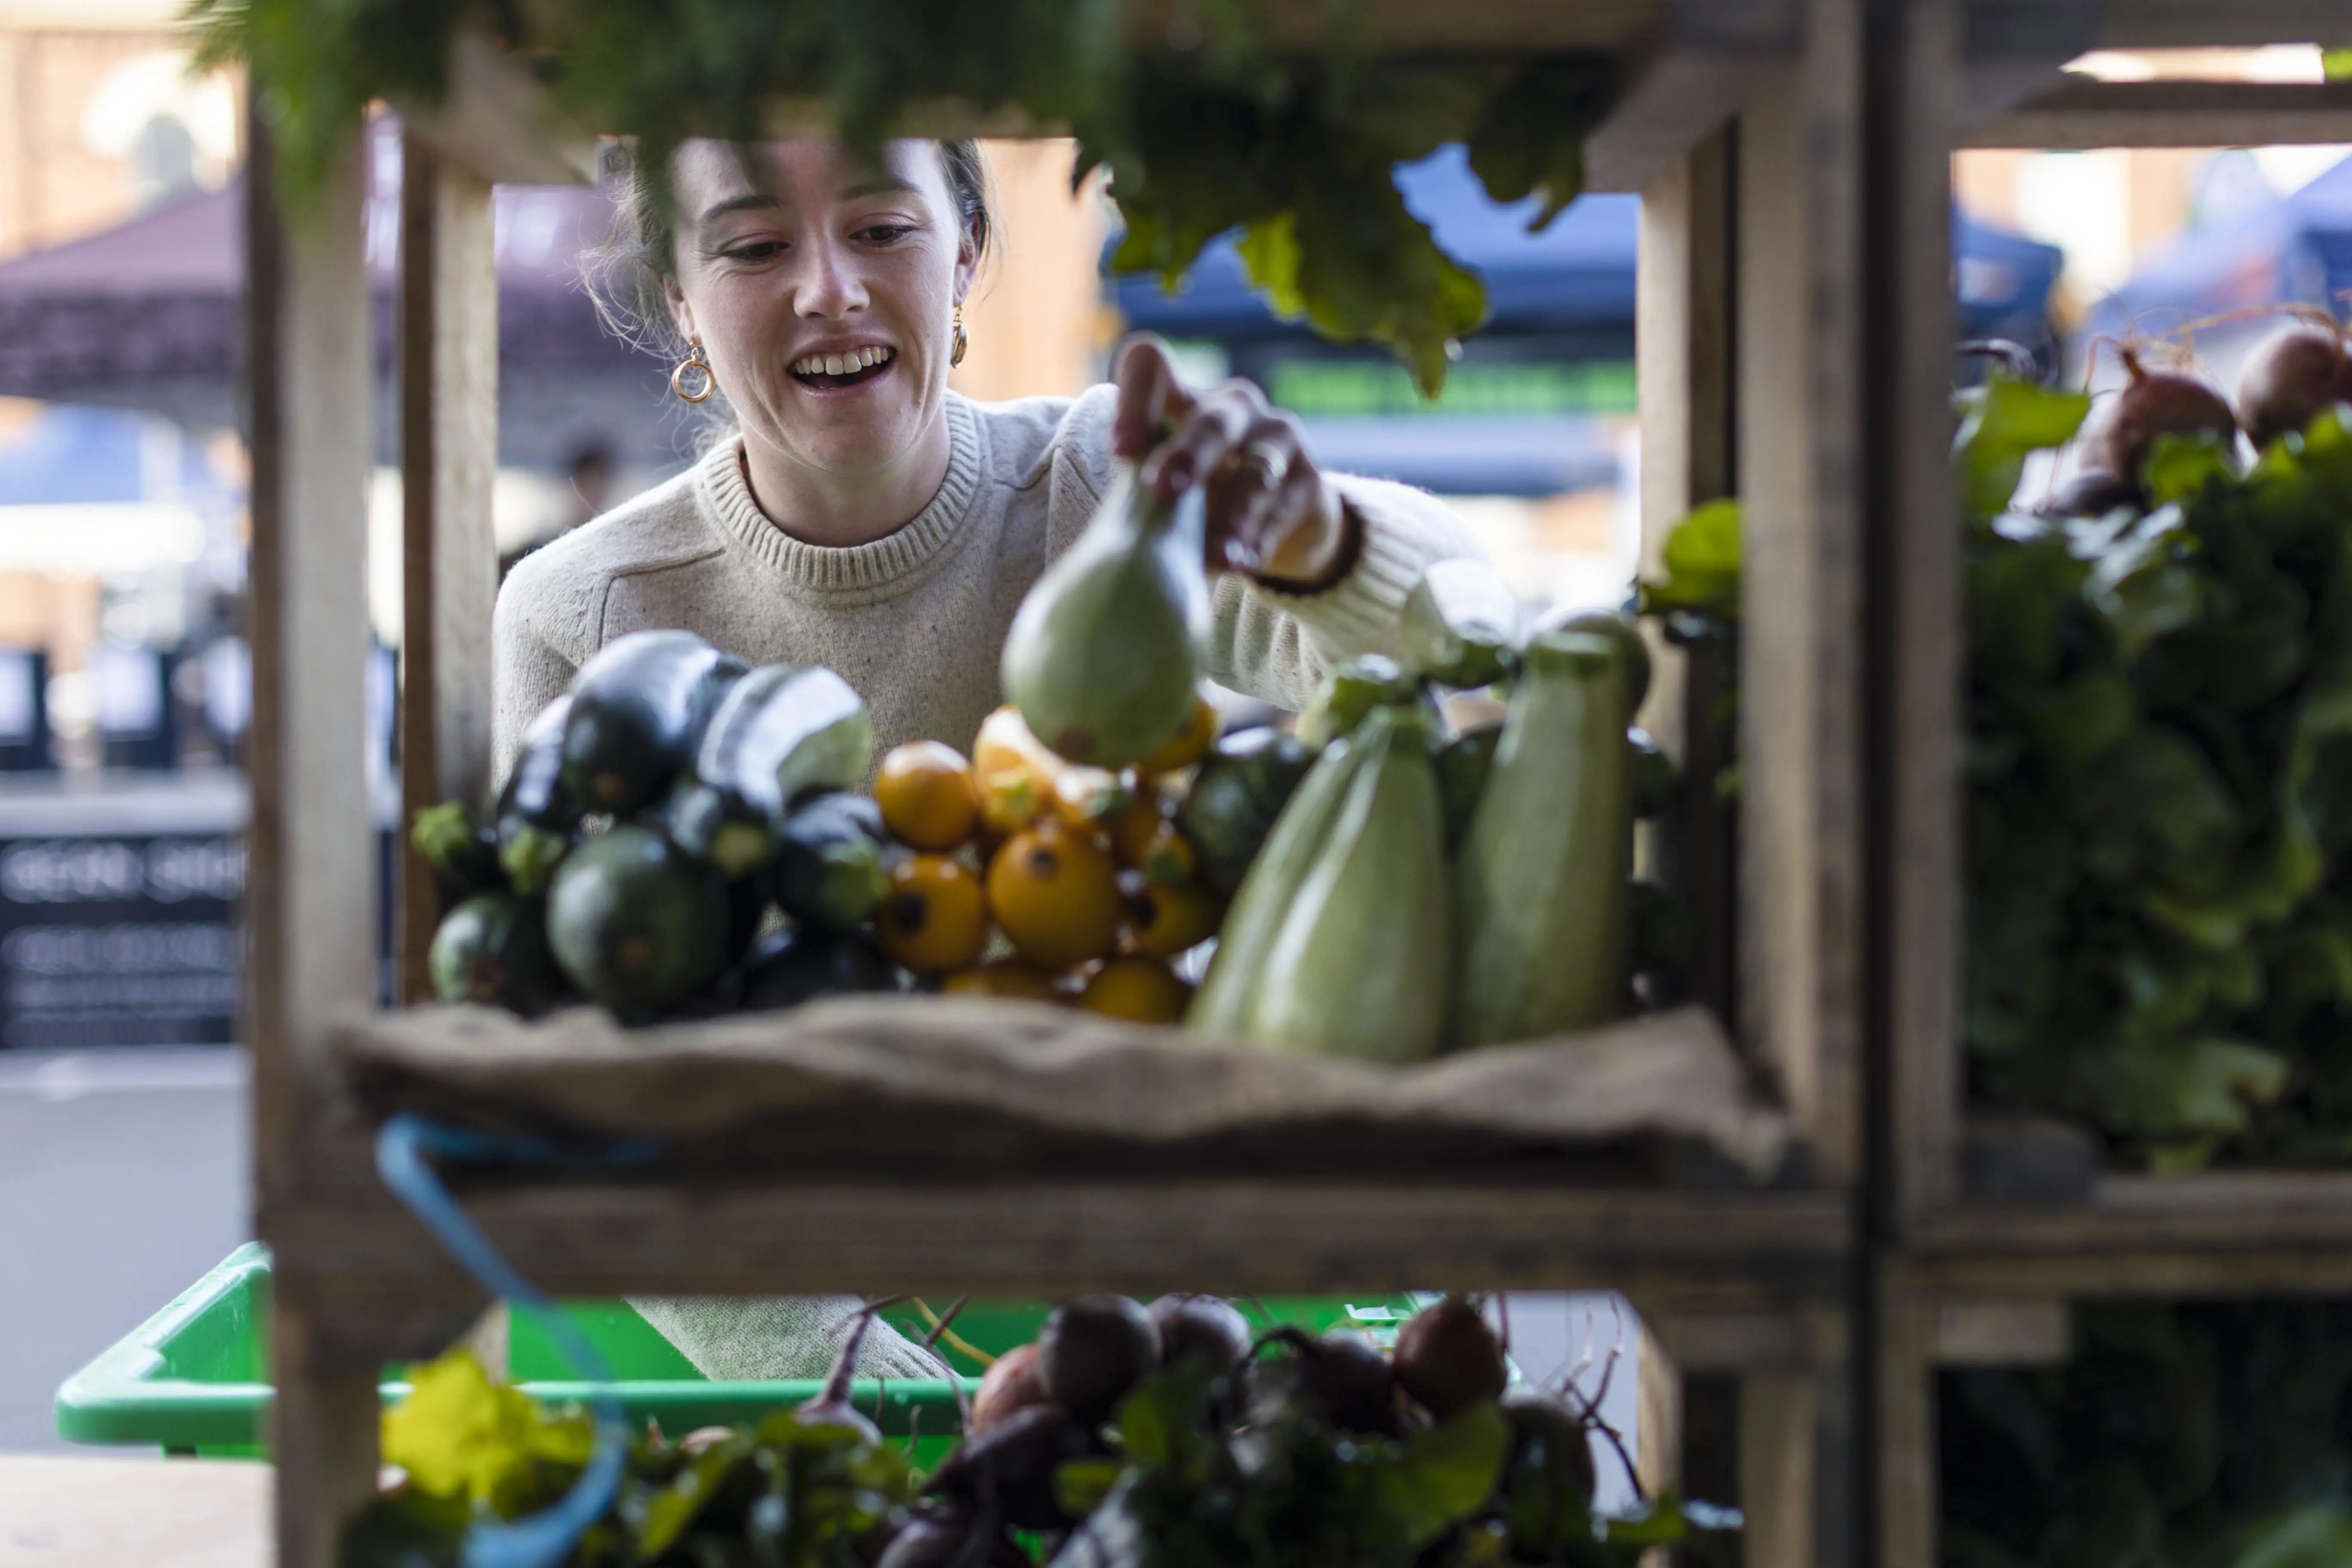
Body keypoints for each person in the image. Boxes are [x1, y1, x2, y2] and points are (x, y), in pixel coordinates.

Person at [489, 136, 1491, 1381]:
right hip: (791, 1324)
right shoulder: (579, 613)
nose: (829, 290)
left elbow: (1474, 635)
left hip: (1165, 1300)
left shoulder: (1096, 486)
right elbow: (567, 1075)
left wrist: (1325, 546)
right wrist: (816, 1365)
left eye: (881, 228)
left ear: (966, 248)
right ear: (680, 299)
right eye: (753, 247)